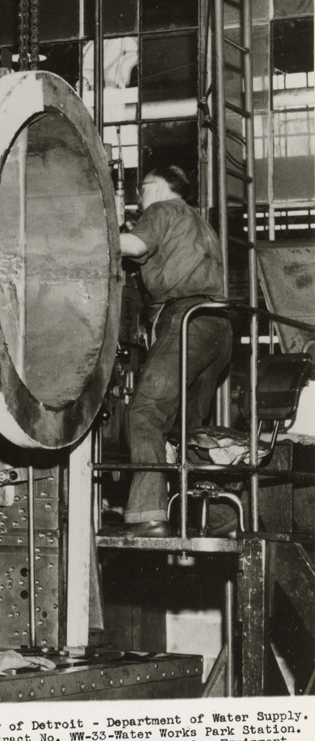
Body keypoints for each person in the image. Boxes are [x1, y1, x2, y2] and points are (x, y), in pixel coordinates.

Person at [112, 165, 232, 536]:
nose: (139, 197)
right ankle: (221, 517)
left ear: (161, 187)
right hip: (219, 326)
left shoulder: (162, 209)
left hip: (187, 321)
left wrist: (98, 229)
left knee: (145, 413)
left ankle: (148, 514)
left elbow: (134, 246)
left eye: (143, 188)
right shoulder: (200, 223)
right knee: (187, 430)